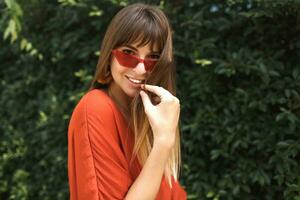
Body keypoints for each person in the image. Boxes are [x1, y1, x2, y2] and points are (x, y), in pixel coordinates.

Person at [68, 3, 187, 200]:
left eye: (153, 58)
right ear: (110, 54)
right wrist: (164, 141)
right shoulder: (96, 108)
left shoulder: (150, 118)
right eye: (128, 53)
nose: (141, 69)